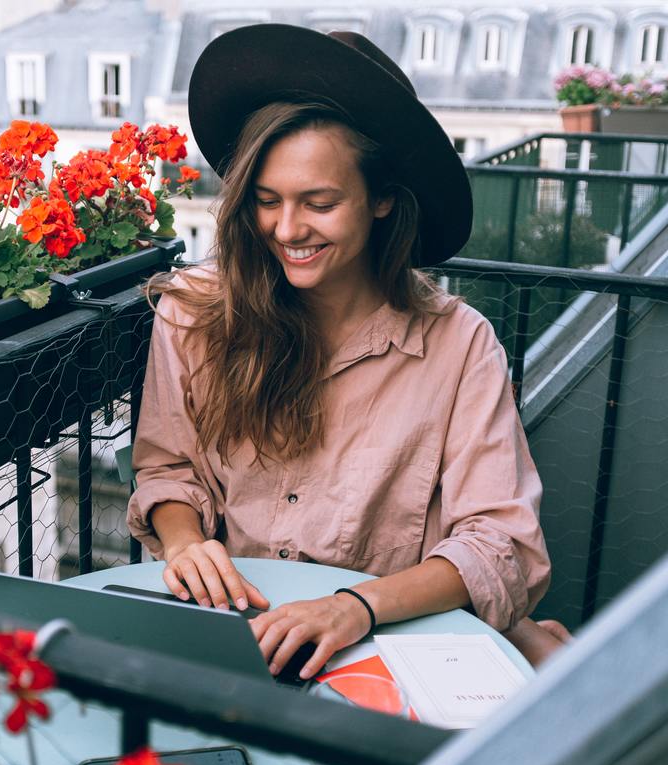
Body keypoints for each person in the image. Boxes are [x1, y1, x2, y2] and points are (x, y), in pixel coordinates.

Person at [126, 24, 568, 676]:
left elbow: (501, 544)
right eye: (266, 201)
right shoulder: (193, 313)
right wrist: (186, 542)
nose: (287, 229)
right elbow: (169, 470)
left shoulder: (458, 344)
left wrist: (353, 607)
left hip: (385, 651)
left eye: (320, 203)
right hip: (232, 641)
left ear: (383, 198)